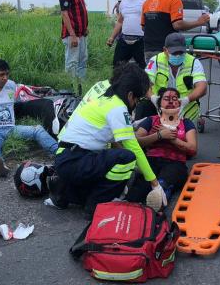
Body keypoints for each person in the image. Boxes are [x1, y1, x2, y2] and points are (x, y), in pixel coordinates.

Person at [45, 65, 167, 215]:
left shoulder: (103, 91)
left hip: (66, 155)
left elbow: (112, 140)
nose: (136, 104)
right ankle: (95, 205)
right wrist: (155, 184)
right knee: (127, 159)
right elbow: (132, 147)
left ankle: (65, 191)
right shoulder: (117, 107)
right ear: (130, 95)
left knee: (115, 159)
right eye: (137, 99)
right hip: (75, 159)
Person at [0, 59, 59, 176]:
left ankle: (59, 153)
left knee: (37, 130)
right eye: (1, 75)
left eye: (7, 74)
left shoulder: (11, 85)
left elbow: (15, 105)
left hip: (11, 128)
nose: (5, 78)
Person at [127, 87, 197, 205]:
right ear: (159, 104)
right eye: (166, 98)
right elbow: (136, 141)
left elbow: (193, 149)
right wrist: (159, 136)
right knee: (136, 193)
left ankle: (160, 198)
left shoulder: (186, 123)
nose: (170, 101)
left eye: (174, 99)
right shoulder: (151, 120)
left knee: (163, 183)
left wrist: (173, 139)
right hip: (151, 160)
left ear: (179, 105)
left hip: (175, 163)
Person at [138, 32, 207, 121]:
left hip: (185, 105)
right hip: (159, 104)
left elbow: (202, 87)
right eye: (174, 53)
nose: (178, 56)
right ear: (165, 50)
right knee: (143, 107)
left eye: (181, 52)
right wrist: (154, 98)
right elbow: (145, 83)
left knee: (183, 131)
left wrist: (186, 100)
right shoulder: (155, 61)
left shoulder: (194, 62)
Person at [141, 0, 209, 60]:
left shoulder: (148, 1)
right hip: (167, 49)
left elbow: (143, 27)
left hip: (148, 49)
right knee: (169, 73)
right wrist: (199, 22)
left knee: (152, 73)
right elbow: (177, 25)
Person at [106, 0, 151, 69]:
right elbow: (120, 21)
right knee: (117, 66)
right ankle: (119, 83)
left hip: (142, 41)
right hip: (124, 39)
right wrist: (112, 37)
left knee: (145, 69)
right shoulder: (124, 2)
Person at [59, 0, 88, 88]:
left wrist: (85, 27)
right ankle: (71, 88)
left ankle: (81, 85)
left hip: (81, 34)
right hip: (73, 35)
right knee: (72, 62)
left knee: (82, 60)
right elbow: (64, 13)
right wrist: (72, 35)